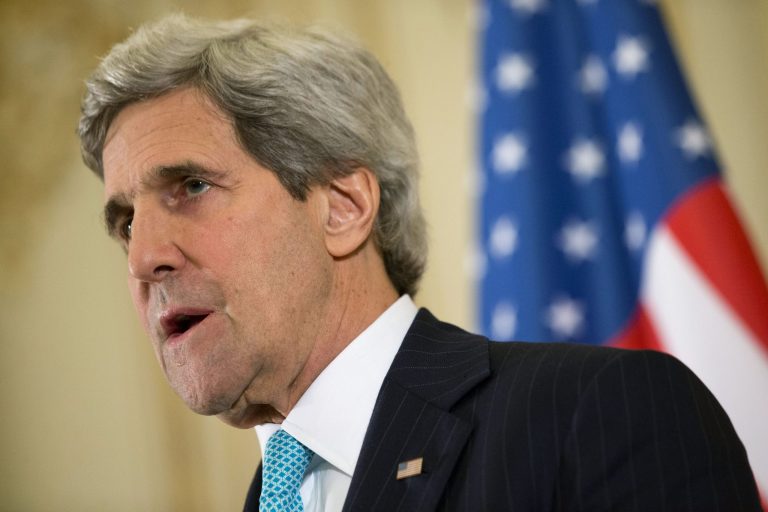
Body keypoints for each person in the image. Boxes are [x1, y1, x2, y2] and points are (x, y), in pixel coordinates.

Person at [78, 14, 762, 512]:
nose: (142, 258)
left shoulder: (596, 415)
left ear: (343, 207)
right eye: (125, 222)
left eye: (191, 188)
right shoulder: (273, 496)